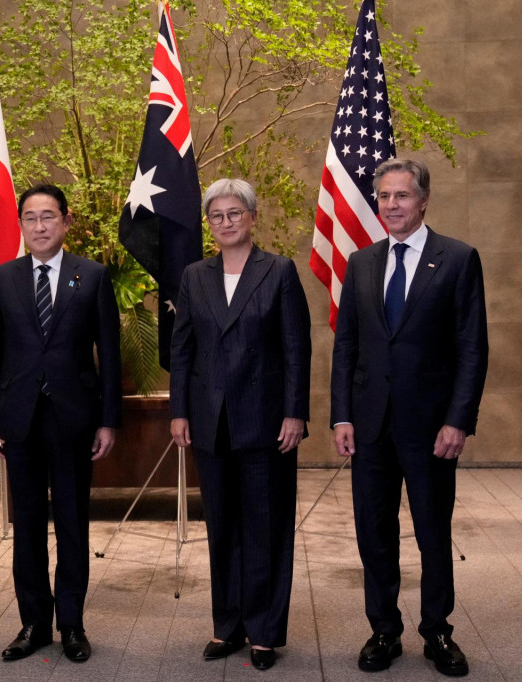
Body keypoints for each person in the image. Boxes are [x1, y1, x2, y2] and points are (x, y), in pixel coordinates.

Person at [331, 158, 488, 677]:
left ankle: (437, 631)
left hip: (430, 427)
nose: (391, 205)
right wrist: (341, 417)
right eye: (384, 197)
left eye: (401, 196)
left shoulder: (459, 259)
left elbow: (471, 348)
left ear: (423, 200)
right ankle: (384, 629)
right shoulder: (361, 262)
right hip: (370, 425)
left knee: (431, 532)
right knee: (373, 532)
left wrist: (458, 420)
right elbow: (347, 346)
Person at [169, 178, 311, 671]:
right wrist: (180, 411)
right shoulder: (194, 275)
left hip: (267, 421)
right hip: (211, 423)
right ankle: (227, 626)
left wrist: (296, 412)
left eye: (234, 213)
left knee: (265, 526)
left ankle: (266, 631)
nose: (225, 222)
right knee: (222, 527)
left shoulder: (279, 271)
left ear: (252, 217)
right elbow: (182, 348)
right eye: (216, 215)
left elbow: (296, 348)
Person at [0, 184, 121, 663]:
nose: (39, 226)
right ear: (21, 224)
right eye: (30, 218)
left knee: (74, 524)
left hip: (74, 419)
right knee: (28, 528)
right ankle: (34, 623)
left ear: (66, 221)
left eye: (48, 217)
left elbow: (110, 353)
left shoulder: (93, 275)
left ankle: (73, 625)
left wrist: (108, 420)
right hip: (19, 419)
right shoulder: (3, 277)